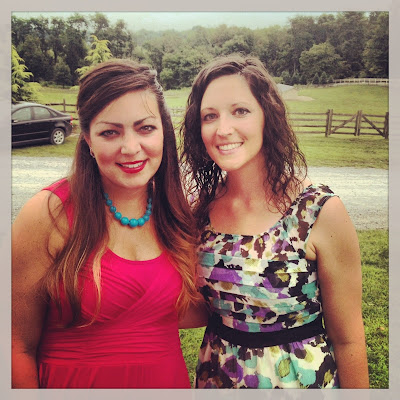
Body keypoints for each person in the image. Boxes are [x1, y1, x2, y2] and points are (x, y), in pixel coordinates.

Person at [180, 54, 370, 389]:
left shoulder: (318, 211)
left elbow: (348, 340)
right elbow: (203, 308)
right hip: (217, 379)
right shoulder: (200, 211)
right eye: (210, 116)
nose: (223, 129)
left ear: (268, 116)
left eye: (240, 110)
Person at [11, 59, 201, 388]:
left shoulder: (176, 211)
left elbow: (193, 309)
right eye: (110, 132)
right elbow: (15, 345)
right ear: (87, 138)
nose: (131, 148)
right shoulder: (48, 213)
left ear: (163, 131)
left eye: (145, 128)